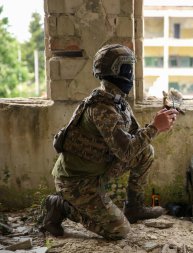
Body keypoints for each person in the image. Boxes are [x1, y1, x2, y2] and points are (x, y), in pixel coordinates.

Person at [39, 44, 179, 240]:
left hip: (98, 168)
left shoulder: (116, 100)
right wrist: (155, 127)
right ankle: (59, 205)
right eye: (128, 69)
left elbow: (134, 139)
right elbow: (126, 152)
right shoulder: (102, 109)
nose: (131, 75)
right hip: (77, 181)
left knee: (146, 151)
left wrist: (158, 122)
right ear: (115, 72)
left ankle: (134, 207)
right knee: (119, 230)